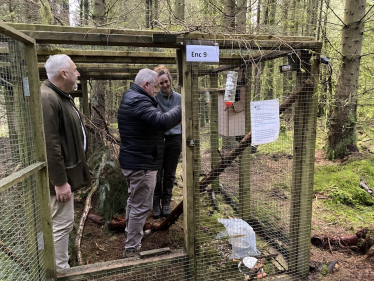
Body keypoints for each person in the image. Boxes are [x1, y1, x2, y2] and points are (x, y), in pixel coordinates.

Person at [117, 68, 181, 258]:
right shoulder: (138, 100)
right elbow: (161, 122)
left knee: (133, 203)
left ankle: (132, 237)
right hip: (141, 164)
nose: (156, 91)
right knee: (139, 207)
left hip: (138, 161)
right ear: (146, 85)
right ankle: (131, 250)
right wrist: (183, 106)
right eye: (154, 87)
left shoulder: (134, 97)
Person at [41, 54, 90, 270]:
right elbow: (49, 144)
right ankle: (59, 271)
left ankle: (58, 266)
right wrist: (60, 182)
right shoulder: (48, 97)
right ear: (64, 73)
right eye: (75, 70)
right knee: (60, 226)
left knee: (61, 224)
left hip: (62, 178)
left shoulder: (59, 96)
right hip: (56, 183)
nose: (78, 74)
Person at [152, 65, 182, 218]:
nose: (164, 85)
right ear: (157, 84)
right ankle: (155, 203)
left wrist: (166, 121)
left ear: (170, 80)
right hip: (159, 139)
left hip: (175, 139)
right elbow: (156, 120)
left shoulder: (180, 98)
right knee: (157, 172)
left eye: (166, 81)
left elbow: (183, 119)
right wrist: (172, 121)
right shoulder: (154, 98)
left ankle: (166, 203)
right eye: (161, 83)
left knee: (170, 173)